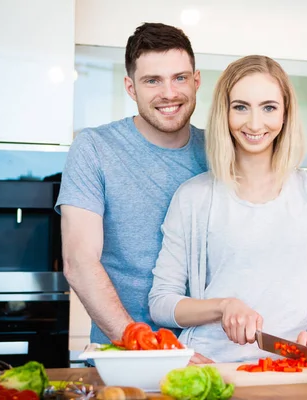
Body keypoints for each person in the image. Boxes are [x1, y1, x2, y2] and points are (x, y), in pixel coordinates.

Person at [148, 55, 307, 363]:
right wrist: (223, 306)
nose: (255, 123)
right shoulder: (194, 197)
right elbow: (161, 303)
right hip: (213, 366)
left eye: (269, 107)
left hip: (295, 368)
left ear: (285, 113)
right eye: (241, 107)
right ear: (224, 113)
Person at [56, 23, 212, 363]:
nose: (169, 93)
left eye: (180, 78)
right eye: (152, 80)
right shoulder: (94, 147)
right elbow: (79, 261)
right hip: (126, 356)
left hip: (214, 353)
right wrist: (144, 348)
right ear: (131, 87)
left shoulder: (220, 152)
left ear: (196, 80)